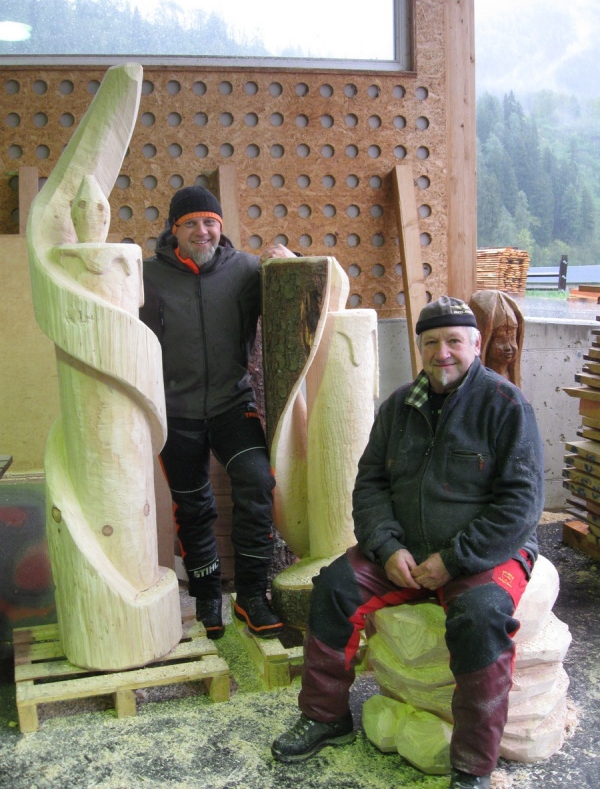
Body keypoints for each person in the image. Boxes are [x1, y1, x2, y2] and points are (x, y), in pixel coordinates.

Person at [271, 296, 544, 789]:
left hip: (487, 551)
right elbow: (370, 485)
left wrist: (454, 559)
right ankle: (325, 716)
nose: (443, 352)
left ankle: (472, 765)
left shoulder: (506, 406)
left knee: (481, 618)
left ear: (476, 344)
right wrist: (386, 546)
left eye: (454, 341)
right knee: (334, 587)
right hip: (405, 549)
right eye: (431, 342)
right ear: (420, 347)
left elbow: (521, 504)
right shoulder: (399, 407)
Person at [140, 185, 292, 640]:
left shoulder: (245, 269)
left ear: (220, 227)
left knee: (257, 481)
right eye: (191, 223)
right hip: (175, 413)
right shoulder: (147, 276)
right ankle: (207, 598)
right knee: (192, 506)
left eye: (210, 222)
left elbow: (298, 289)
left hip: (232, 405)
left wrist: (290, 260)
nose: (202, 231)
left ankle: (251, 596)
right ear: (174, 229)